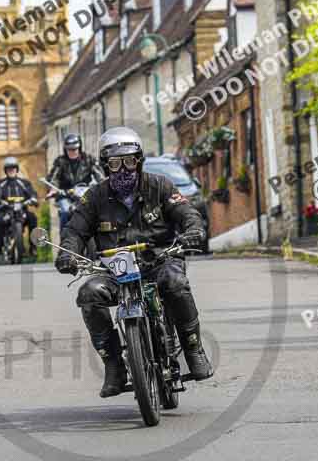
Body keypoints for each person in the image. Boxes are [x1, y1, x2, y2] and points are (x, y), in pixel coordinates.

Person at [55, 126, 214, 398]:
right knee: (89, 294)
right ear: (106, 165)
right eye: (115, 163)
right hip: (114, 271)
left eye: (130, 161)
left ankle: (193, 349)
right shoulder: (94, 197)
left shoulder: (160, 185)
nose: (124, 169)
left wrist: (192, 231)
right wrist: (67, 253)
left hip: (159, 261)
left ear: (138, 160)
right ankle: (114, 365)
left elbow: (186, 212)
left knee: (176, 284)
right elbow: (74, 230)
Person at [46, 134, 104, 227]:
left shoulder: (88, 159)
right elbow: (54, 177)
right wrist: (53, 189)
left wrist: (104, 187)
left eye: (74, 149)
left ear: (79, 148)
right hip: (65, 194)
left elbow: (100, 176)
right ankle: (65, 239)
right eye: (69, 150)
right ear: (65, 149)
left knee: (96, 211)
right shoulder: (60, 162)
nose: (72, 152)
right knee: (65, 212)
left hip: (84, 194)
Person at [0, 157, 38, 256]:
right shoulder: (1, 183)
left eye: (13, 168)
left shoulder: (24, 183)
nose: (11, 170)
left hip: (22, 210)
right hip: (6, 211)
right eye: (9, 169)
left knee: (33, 218)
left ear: (17, 169)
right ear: (5, 171)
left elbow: (32, 193)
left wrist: (33, 199)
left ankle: (33, 246)